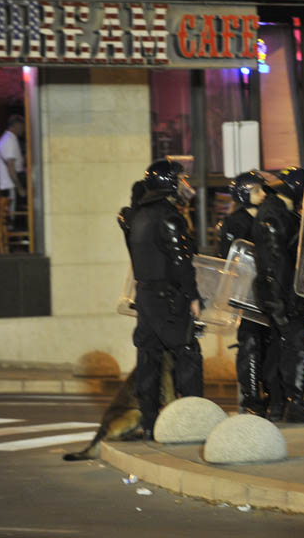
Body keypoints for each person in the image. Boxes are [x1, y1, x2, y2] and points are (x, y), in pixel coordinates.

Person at [128, 159, 204, 439]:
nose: (186, 183)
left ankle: (149, 421)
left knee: (149, 357)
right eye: (181, 178)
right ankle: (195, 419)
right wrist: (193, 296)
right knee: (186, 353)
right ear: (170, 183)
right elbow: (181, 261)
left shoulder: (138, 215)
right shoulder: (169, 217)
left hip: (146, 294)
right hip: (169, 296)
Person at [252, 166, 304, 423]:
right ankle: (295, 403)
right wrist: (286, 298)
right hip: (281, 290)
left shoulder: (276, 210)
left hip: (275, 290)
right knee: (297, 343)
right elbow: (276, 259)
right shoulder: (275, 214)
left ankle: (279, 404)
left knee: (279, 346)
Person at [217, 170, 273, 415]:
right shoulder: (234, 222)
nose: (262, 194)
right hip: (247, 292)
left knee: (271, 343)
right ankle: (251, 397)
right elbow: (228, 256)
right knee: (250, 341)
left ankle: (273, 393)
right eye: (257, 190)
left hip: (269, 289)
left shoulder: (269, 215)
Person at [0, 114, 26, 216]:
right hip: (11, 185)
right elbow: (11, 167)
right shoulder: (9, 140)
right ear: (16, 125)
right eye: (22, 126)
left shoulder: (8, 139)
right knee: (12, 215)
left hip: (9, 185)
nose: (24, 129)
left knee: (10, 215)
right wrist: (19, 187)